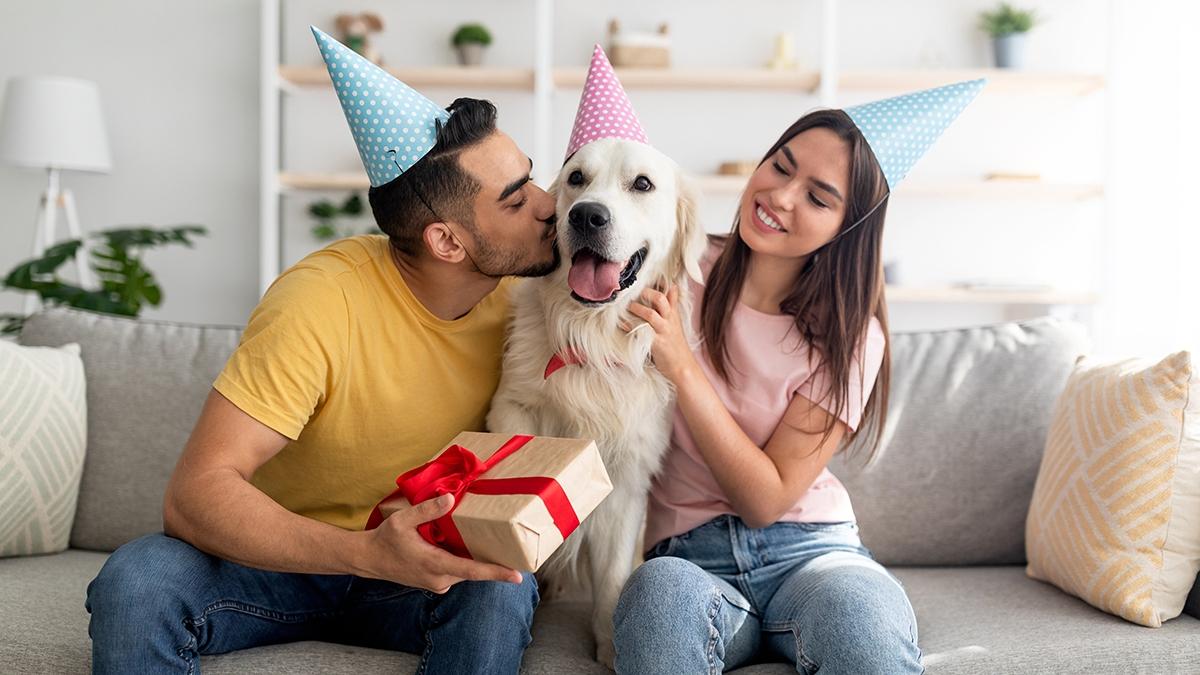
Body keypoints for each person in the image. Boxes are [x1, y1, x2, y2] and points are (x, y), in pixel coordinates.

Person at [85, 27, 558, 674]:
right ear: (447, 242)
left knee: (501, 586)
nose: (549, 204)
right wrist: (362, 551)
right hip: (281, 560)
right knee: (138, 580)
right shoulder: (318, 300)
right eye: (517, 198)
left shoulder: (528, 305)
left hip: (418, 566)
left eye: (532, 179)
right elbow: (194, 494)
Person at [613, 79, 986, 674]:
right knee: (658, 601)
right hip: (688, 558)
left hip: (814, 552)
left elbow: (765, 499)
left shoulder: (852, 338)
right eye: (780, 166)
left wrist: (681, 364)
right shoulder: (671, 267)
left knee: (858, 622)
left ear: (848, 225)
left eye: (817, 196)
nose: (780, 196)